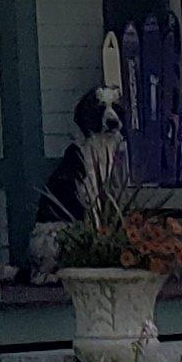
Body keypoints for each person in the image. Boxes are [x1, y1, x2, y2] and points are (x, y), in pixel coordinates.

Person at [30, 89, 121, 281]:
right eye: (102, 109)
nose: (111, 117)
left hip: (75, 229)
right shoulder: (82, 155)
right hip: (54, 231)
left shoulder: (108, 152)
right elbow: (91, 199)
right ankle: (45, 272)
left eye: (115, 108)